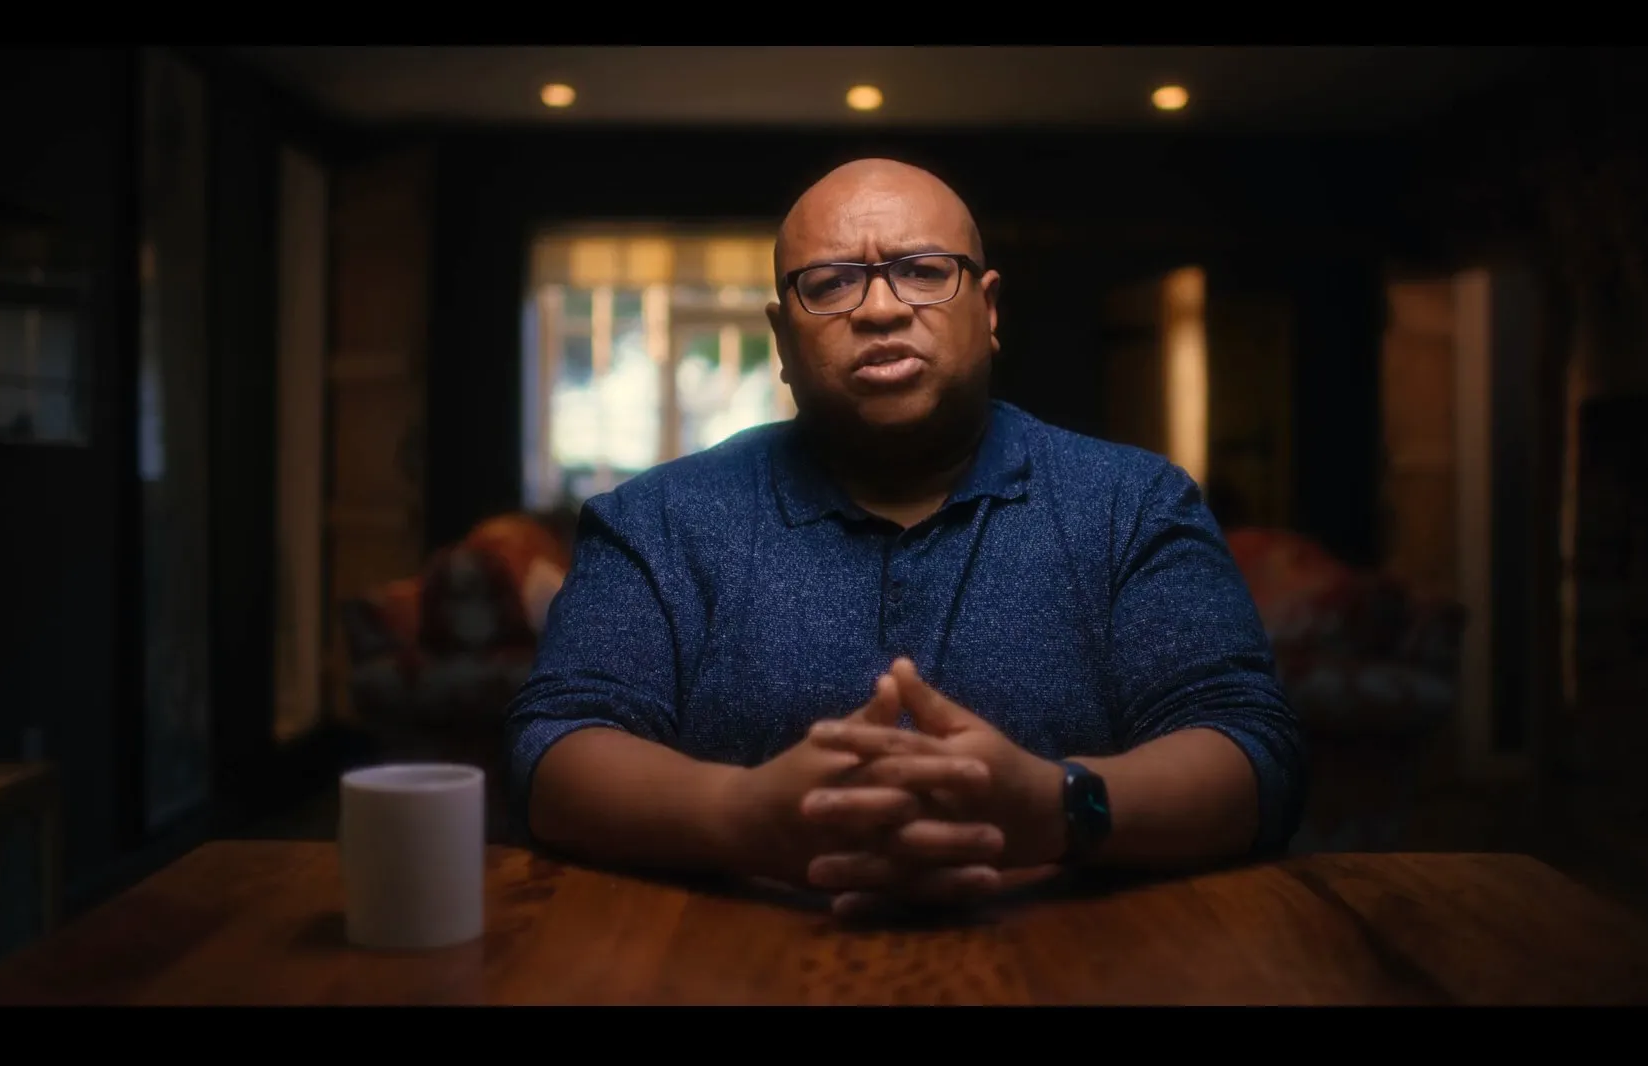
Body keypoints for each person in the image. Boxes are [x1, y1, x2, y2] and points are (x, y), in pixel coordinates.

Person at [506, 158, 1303, 916]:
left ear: (989, 310)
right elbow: (553, 751)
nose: (881, 310)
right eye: (830, 284)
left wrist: (1058, 806)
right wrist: (740, 814)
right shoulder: (656, 520)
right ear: (782, 341)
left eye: (923, 271)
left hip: (1078, 962)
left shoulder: (1134, 505)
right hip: (730, 963)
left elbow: (1253, 752)